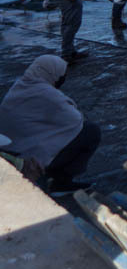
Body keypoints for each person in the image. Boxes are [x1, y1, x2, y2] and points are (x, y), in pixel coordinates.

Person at [0, 56, 101, 194]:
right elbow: (75, 119)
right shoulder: (45, 92)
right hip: (26, 159)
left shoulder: (20, 85)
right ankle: (60, 182)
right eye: (61, 75)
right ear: (51, 73)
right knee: (90, 131)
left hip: (9, 151)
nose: (62, 78)